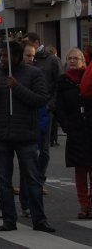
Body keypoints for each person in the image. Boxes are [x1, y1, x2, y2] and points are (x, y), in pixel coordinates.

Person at [0, 41, 54, 233]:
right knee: (4, 181)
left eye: (7, 55)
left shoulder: (34, 74)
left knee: (33, 179)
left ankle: (39, 219)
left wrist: (16, 87)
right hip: (3, 135)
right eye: (1, 55)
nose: (3, 59)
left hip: (26, 135)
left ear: (17, 56)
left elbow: (41, 99)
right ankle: (9, 219)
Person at [53, 47, 92, 219]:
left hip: (90, 128)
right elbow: (58, 107)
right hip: (75, 130)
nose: (72, 61)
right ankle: (83, 205)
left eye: (76, 58)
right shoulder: (63, 81)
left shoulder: (88, 77)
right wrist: (66, 125)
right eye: (70, 58)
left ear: (83, 61)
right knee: (80, 170)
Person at [22, 31, 61, 189]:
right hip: (27, 110)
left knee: (44, 150)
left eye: (27, 42)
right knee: (27, 150)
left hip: (45, 110)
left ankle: (39, 179)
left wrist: (51, 104)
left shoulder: (51, 60)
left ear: (36, 43)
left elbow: (58, 84)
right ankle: (28, 184)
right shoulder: (25, 60)